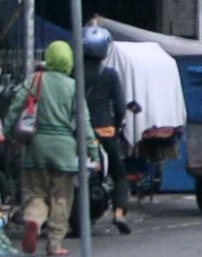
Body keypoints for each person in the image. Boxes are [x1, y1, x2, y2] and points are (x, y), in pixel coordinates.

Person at [15, 40, 91, 256]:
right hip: (64, 150)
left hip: (36, 147)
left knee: (35, 194)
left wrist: (13, 134)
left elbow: (16, 107)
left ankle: (34, 222)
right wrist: (92, 148)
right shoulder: (73, 86)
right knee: (61, 199)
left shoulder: (35, 80)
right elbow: (83, 122)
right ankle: (55, 245)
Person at [81, 26, 134, 235]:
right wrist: (116, 123)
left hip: (77, 133)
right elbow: (120, 107)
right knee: (119, 174)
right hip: (105, 132)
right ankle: (119, 213)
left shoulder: (72, 72)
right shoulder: (110, 75)